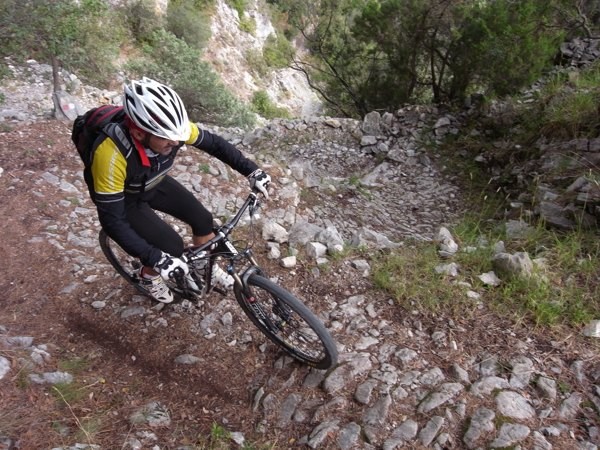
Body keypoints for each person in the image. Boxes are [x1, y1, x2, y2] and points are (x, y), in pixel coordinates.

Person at [89, 77, 271, 303]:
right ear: (139, 134)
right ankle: (148, 277)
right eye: (167, 139)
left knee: (203, 219)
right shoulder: (110, 155)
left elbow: (214, 143)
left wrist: (252, 171)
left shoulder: (173, 131)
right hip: (126, 198)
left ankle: (204, 268)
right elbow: (112, 221)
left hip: (153, 181)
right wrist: (155, 258)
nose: (177, 143)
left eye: (178, 136)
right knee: (170, 246)